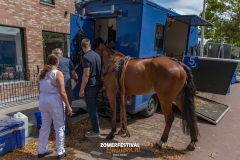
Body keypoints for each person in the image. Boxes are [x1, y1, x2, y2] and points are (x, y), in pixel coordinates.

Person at [37, 54, 72, 159]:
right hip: (54, 100)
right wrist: (68, 105)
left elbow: (39, 88)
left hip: (43, 99)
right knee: (59, 126)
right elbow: (62, 92)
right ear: (57, 63)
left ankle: (41, 150)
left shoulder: (41, 73)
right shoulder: (57, 73)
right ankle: (60, 151)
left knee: (44, 126)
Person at [79, 38, 103, 137]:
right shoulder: (97, 55)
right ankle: (97, 126)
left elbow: (86, 75)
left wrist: (81, 89)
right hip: (98, 84)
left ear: (82, 47)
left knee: (91, 108)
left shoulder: (86, 57)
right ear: (90, 46)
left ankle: (96, 131)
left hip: (90, 86)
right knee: (94, 107)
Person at [52, 48, 78, 135]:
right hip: (66, 85)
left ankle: (56, 126)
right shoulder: (68, 61)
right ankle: (65, 127)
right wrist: (76, 81)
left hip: (54, 87)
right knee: (67, 106)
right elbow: (73, 74)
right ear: (61, 54)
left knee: (56, 106)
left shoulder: (51, 62)